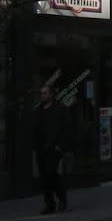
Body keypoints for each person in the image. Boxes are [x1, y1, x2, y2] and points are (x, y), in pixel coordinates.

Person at [33, 84, 71, 214]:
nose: (42, 96)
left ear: (51, 95)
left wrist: (60, 146)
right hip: (41, 148)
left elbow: (66, 129)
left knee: (51, 174)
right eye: (41, 93)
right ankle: (49, 204)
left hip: (54, 148)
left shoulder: (59, 109)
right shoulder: (38, 111)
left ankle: (62, 199)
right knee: (44, 178)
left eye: (45, 93)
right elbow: (35, 129)